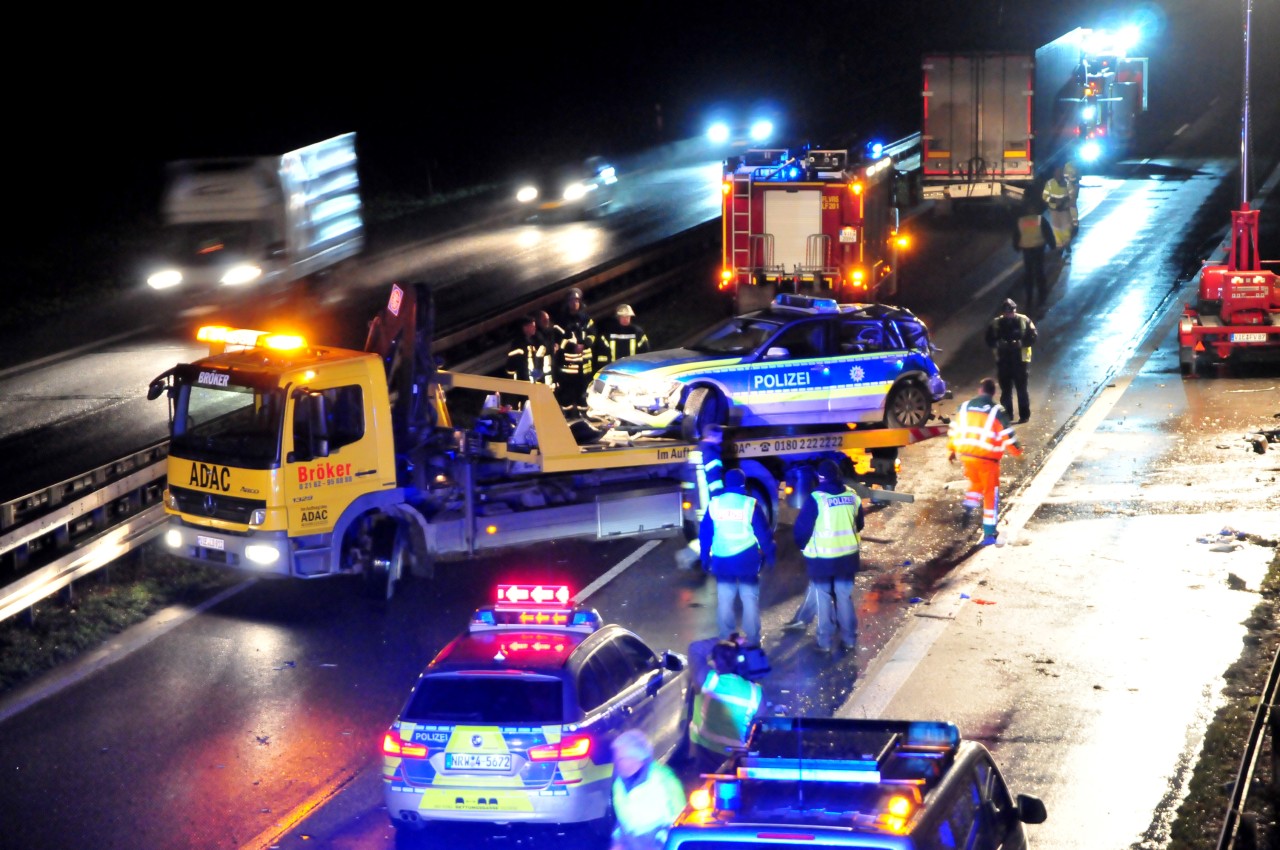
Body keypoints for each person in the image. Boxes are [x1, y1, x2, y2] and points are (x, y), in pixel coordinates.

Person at [793, 459, 864, 655]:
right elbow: (859, 524)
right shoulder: (852, 496)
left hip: (822, 560)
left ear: (819, 477)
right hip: (848, 558)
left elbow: (801, 530)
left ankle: (824, 642)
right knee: (844, 596)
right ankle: (849, 639)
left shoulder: (817, 499)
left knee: (823, 597)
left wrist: (801, 546)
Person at [700, 467, 776, 646]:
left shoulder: (715, 503)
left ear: (726, 483)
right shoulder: (750, 504)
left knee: (725, 599)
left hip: (722, 561)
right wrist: (770, 554)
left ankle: (726, 638)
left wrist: (705, 557)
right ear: (743, 483)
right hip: (746, 561)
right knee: (749, 599)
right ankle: (753, 640)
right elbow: (763, 534)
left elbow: (705, 534)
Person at [947, 377, 1023, 546]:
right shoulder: (997, 411)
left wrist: (952, 450)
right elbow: (1007, 435)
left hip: (967, 456)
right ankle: (989, 533)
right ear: (993, 392)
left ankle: (969, 505)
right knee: (990, 493)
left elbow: (954, 430)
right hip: (987, 460)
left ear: (980, 390)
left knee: (975, 483)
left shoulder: (964, 407)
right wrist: (1018, 453)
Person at [688, 638, 765, 772]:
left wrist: (727, 638)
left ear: (716, 663)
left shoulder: (708, 680)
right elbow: (760, 730)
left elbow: (695, 649)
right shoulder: (756, 693)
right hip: (735, 757)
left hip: (703, 752)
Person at [609, 729, 687, 850]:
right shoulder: (619, 783)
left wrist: (659, 844)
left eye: (622, 758)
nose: (617, 763)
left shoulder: (664, 780)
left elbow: (680, 821)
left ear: (637, 758)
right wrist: (617, 841)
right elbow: (622, 819)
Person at [984, 298, 1038, 424]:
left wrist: (1021, 343)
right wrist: (998, 344)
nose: (1009, 315)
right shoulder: (996, 323)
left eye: (1011, 312)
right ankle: (1007, 415)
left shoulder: (1024, 320)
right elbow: (989, 339)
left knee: (1022, 390)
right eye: (1006, 313)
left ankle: (1024, 415)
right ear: (1003, 312)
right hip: (1004, 361)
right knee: (1006, 391)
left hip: (1020, 362)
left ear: (1015, 310)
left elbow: (1033, 336)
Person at [553, 287, 597, 414]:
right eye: (572, 301)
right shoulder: (561, 321)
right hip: (569, 366)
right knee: (567, 391)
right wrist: (573, 347)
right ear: (567, 303)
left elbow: (593, 334)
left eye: (577, 301)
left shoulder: (586, 319)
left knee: (583, 391)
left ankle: (583, 413)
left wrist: (585, 344)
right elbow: (558, 340)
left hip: (585, 366)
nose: (575, 303)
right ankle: (567, 414)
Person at [1011, 196, 1053, 311]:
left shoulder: (1021, 221)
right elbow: (1048, 232)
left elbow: (1016, 235)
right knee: (1039, 273)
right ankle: (1041, 298)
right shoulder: (1040, 220)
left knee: (1029, 275)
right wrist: (1052, 244)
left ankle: (1029, 299)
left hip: (1027, 250)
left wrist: (1016, 247)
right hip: (1038, 248)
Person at [595, 303, 651, 371]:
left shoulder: (637, 332)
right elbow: (602, 356)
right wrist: (606, 369)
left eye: (627, 317)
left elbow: (644, 352)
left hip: (633, 370)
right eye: (623, 317)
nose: (625, 319)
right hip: (613, 371)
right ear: (618, 317)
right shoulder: (608, 333)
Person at [504, 314, 551, 386]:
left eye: (534, 325)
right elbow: (513, 365)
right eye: (532, 326)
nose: (534, 328)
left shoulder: (538, 339)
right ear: (525, 328)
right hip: (525, 380)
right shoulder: (518, 344)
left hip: (538, 377)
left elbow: (544, 354)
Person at [1042, 164, 1075, 259]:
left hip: (1064, 209)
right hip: (1054, 210)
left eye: (1060, 173)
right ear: (1054, 174)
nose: (1058, 175)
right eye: (1057, 173)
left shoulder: (1067, 183)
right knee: (1056, 228)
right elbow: (1044, 196)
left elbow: (1071, 195)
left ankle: (1066, 243)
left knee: (1066, 227)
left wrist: (1065, 201)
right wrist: (1053, 201)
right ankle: (1060, 246)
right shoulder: (1049, 184)